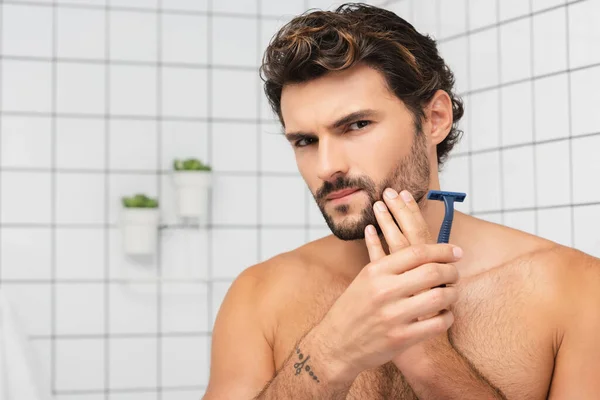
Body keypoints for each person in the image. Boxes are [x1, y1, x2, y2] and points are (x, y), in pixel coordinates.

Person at [203, 3, 600, 399]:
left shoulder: (575, 291)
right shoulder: (258, 294)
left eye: (356, 125)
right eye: (306, 141)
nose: (327, 167)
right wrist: (331, 352)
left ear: (435, 119)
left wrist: (429, 359)